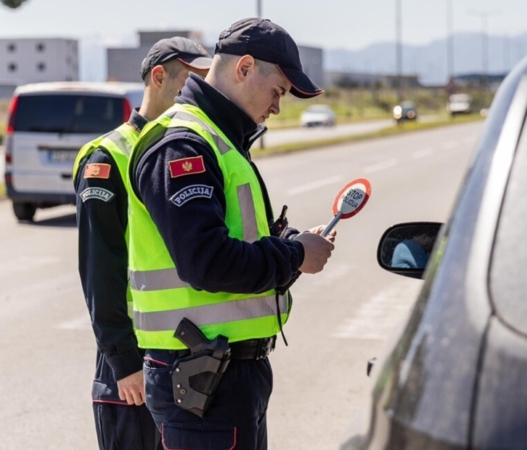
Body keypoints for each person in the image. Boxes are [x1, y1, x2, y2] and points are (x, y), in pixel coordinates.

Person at [126, 18, 336, 450]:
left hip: (223, 379)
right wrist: (294, 257)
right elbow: (208, 262)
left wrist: (290, 243)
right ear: (243, 68)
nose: (277, 107)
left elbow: (237, 242)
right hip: (202, 382)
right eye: (278, 91)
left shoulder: (219, 139)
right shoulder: (184, 145)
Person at [73, 37, 212, 450]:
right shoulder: (109, 158)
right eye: (191, 81)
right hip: (133, 365)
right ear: (159, 77)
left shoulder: (191, 149)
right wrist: (123, 361)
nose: (199, 93)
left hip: (183, 357)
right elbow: (101, 269)